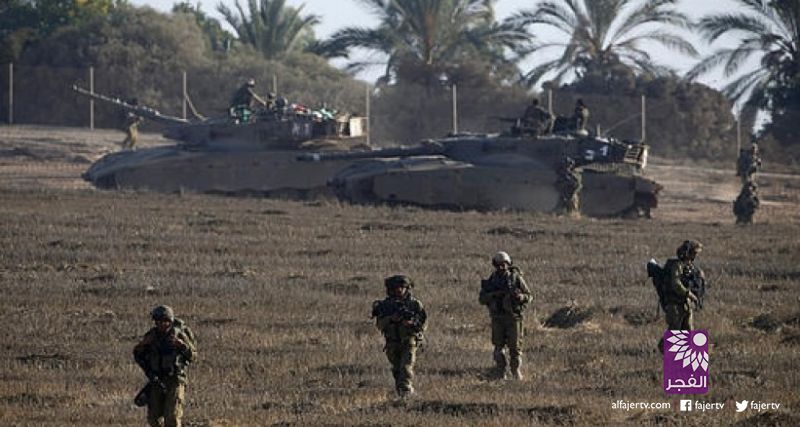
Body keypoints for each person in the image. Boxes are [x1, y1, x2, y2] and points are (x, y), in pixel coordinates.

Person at [133, 305, 196, 427]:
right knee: (153, 418)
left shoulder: (178, 335)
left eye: (164, 321)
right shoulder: (151, 336)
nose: (161, 324)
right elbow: (138, 355)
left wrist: (182, 346)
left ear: (170, 321)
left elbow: (192, 356)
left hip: (175, 379)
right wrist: (143, 345)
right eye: (158, 321)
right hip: (157, 380)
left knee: (172, 417)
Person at [479, 251, 532, 380]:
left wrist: (520, 297)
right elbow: (482, 299)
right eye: (498, 265)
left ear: (508, 264)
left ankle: (515, 372)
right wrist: (493, 295)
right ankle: (500, 371)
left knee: (515, 348)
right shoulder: (492, 281)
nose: (501, 267)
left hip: (513, 318)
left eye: (504, 264)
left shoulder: (515, 278)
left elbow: (529, 296)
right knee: (498, 348)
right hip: (498, 318)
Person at [372, 275, 427, 397]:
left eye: (402, 287)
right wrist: (391, 319)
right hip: (392, 342)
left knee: (406, 367)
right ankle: (400, 391)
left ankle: (406, 392)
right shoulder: (386, 306)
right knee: (397, 368)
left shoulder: (414, 304)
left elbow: (423, 323)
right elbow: (380, 324)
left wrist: (411, 324)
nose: (399, 290)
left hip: (409, 341)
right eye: (396, 288)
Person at [657, 241, 704, 354]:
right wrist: (689, 294)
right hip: (675, 304)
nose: (695, 256)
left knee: (689, 330)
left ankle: (686, 355)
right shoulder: (677, 266)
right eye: (694, 253)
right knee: (675, 330)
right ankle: (664, 349)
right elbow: (676, 284)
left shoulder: (690, 267)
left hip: (686, 304)